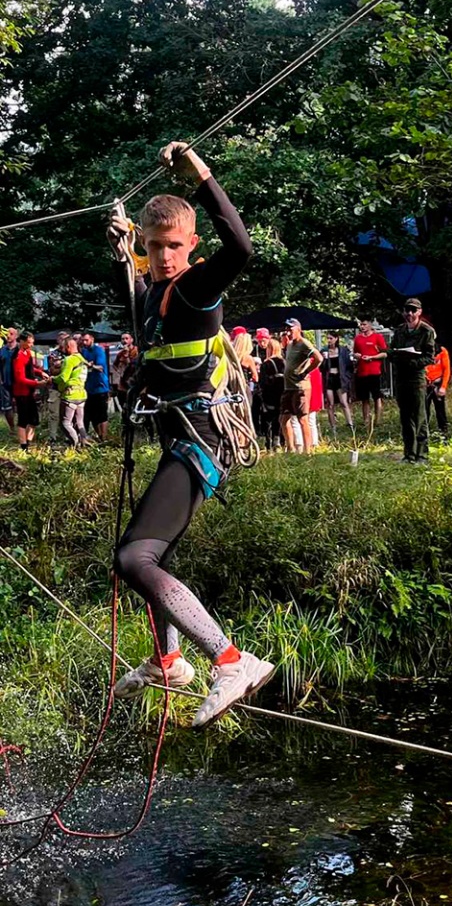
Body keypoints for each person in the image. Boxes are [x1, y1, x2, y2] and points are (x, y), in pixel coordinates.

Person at [106, 140, 274, 728]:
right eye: (155, 247)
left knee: (134, 556)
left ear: (192, 245)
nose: (165, 256)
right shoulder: (154, 289)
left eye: (174, 246)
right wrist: (125, 255)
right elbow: (149, 326)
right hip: (176, 435)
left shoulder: (198, 285)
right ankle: (169, 661)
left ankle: (231, 660)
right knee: (156, 553)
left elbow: (243, 246)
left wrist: (200, 171)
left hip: (201, 439)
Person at [387, 298, 436, 464]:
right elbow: (391, 351)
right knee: (405, 417)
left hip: (416, 378)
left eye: (413, 310)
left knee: (419, 417)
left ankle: (422, 455)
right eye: (407, 310)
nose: (409, 314)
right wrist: (396, 356)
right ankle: (409, 454)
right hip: (401, 377)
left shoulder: (426, 331)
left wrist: (412, 361)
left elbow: (430, 357)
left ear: (419, 312)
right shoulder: (400, 331)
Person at [280, 318, 323, 454]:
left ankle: (308, 451)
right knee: (283, 418)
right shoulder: (290, 344)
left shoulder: (304, 343)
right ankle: (290, 448)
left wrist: (306, 371)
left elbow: (319, 358)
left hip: (300, 387)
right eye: (286, 329)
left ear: (298, 329)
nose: (288, 332)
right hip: (288, 387)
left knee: (302, 419)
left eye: (290, 329)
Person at [12, 332, 50, 450]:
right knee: (23, 419)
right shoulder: (18, 356)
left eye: (32, 343)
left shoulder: (27, 353)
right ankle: (23, 446)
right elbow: (20, 378)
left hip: (30, 391)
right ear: (22, 341)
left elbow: (29, 368)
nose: (31, 345)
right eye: (29, 343)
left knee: (34, 419)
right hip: (21, 392)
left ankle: (28, 442)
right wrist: (37, 383)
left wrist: (40, 372)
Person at [53, 337, 90, 449]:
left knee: (65, 423)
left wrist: (52, 379)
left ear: (68, 347)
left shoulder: (69, 360)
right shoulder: (83, 359)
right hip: (82, 394)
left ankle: (75, 445)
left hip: (70, 395)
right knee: (79, 422)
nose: (63, 350)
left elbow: (63, 378)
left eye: (63, 347)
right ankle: (85, 443)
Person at [353, 320, 387, 427]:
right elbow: (355, 353)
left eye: (364, 324)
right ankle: (366, 421)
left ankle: (378, 420)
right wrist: (356, 355)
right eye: (361, 325)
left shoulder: (377, 337)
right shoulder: (357, 338)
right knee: (364, 398)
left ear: (370, 325)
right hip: (362, 372)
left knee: (377, 396)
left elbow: (385, 353)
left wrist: (372, 357)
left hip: (374, 371)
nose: (362, 327)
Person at [321, 332, 354, 435]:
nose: (329, 340)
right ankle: (333, 427)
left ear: (336, 339)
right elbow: (321, 368)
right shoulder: (324, 351)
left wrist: (347, 378)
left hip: (340, 378)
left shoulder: (343, 350)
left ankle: (350, 424)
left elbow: (349, 365)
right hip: (329, 378)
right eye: (327, 338)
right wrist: (324, 359)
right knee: (330, 404)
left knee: (343, 402)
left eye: (331, 338)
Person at [81, 331, 110, 440]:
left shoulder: (99, 351)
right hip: (88, 388)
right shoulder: (84, 351)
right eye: (83, 340)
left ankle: (104, 437)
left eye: (86, 340)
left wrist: (90, 366)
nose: (84, 342)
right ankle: (99, 436)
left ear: (92, 339)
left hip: (100, 387)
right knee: (92, 415)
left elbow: (100, 367)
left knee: (102, 414)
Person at [259, 338, 285, 451]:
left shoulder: (266, 364)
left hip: (270, 394)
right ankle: (278, 439)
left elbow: (262, 382)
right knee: (280, 418)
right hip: (282, 393)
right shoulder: (284, 362)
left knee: (268, 419)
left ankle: (268, 443)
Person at [46, 331, 69, 443]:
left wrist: (61, 365)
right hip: (55, 387)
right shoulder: (53, 354)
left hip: (68, 388)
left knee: (67, 414)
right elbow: (52, 370)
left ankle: (67, 437)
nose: (63, 341)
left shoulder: (72, 354)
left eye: (65, 339)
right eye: (61, 339)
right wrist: (65, 368)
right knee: (54, 414)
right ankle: (53, 437)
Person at [425, 341, 451, 439]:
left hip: (438, 384)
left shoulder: (442, 351)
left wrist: (443, 387)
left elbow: (447, 370)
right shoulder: (421, 350)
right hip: (425, 384)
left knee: (440, 411)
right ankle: (424, 435)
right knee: (424, 411)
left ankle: (444, 434)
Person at [111, 333, 138, 409]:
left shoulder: (136, 351)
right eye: (122, 339)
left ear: (131, 340)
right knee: (123, 405)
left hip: (134, 382)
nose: (124, 341)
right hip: (123, 384)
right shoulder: (120, 354)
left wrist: (126, 356)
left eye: (126, 338)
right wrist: (119, 372)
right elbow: (115, 365)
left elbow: (132, 365)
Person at [233, 331, 259, 406]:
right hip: (244, 387)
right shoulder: (248, 358)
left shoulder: (230, 357)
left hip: (231, 387)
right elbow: (255, 378)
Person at [0, 326, 18, 432]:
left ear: (16, 336)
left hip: (19, 382)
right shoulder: (2, 350)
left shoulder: (20, 349)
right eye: (8, 333)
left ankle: (22, 427)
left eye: (11, 334)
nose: (8, 336)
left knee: (20, 404)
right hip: (5, 382)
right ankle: (12, 428)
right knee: (7, 407)